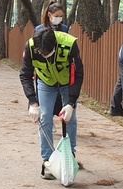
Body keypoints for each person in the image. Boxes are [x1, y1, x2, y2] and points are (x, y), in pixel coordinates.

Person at [20, 28, 84, 180]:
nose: (43, 56)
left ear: (55, 46)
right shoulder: (30, 47)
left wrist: (70, 103)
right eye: (40, 53)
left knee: (70, 118)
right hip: (45, 82)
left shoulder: (69, 44)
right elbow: (25, 74)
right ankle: (48, 160)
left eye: (47, 53)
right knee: (45, 117)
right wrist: (32, 102)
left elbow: (79, 73)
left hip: (67, 82)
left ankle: (69, 157)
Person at [34, 1, 70, 124]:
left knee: (59, 99)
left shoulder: (65, 29)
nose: (59, 18)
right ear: (49, 15)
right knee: (43, 100)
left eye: (61, 16)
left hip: (60, 69)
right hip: (44, 69)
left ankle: (57, 117)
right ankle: (46, 120)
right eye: (57, 16)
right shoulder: (39, 29)